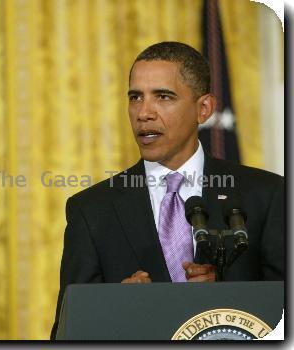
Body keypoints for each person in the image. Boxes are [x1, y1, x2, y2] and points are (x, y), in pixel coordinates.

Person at [50, 42, 284, 339]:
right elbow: (67, 333)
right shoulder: (91, 210)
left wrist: (228, 294)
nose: (144, 112)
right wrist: (110, 307)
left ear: (204, 109)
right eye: (135, 97)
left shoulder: (267, 194)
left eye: (163, 96)